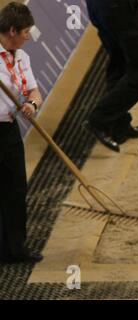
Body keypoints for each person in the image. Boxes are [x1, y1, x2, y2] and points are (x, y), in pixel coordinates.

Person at [83, 0, 138, 152]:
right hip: (119, 8)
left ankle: (118, 126)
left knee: (120, 63)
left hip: (100, 8)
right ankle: (100, 119)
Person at [0, 2, 43, 263]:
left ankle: (15, 249)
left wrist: (32, 104)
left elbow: (34, 91)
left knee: (15, 190)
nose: (29, 36)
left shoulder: (22, 57)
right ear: (13, 30)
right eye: (26, 31)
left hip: (8, 130)